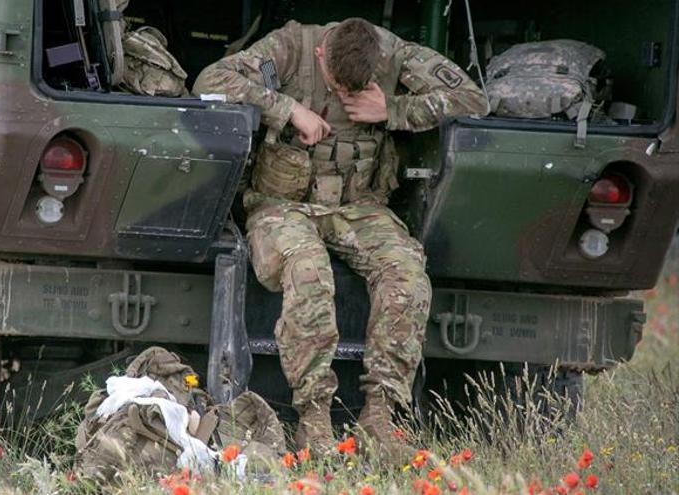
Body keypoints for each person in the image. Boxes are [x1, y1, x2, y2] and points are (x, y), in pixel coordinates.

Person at [193, 18, 487, 455]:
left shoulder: (395, 54)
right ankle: (313, 418)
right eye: (337, 85)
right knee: (309, 272)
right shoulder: (292, 46)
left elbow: (473, 100)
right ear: (321, 55)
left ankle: (379, 418)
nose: (345, 95)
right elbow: (210, 80)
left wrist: (394, 110)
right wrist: (288, 109)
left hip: (358, 206)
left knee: (406, 273)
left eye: (356, 88)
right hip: (283, 205)